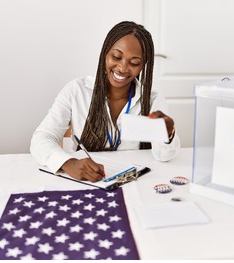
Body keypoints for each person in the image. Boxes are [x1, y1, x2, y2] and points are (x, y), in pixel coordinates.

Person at [30, 21, 180, 182]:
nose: (122, 68)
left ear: (143, 66)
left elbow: (164, 156)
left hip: (135, 184)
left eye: (134, 63)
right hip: (87, 184)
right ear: (105, 54)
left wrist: (168, 134)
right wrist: (68, 163)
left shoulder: (153, 100)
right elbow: (41, 138)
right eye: (116, 57)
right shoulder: (76, 91)